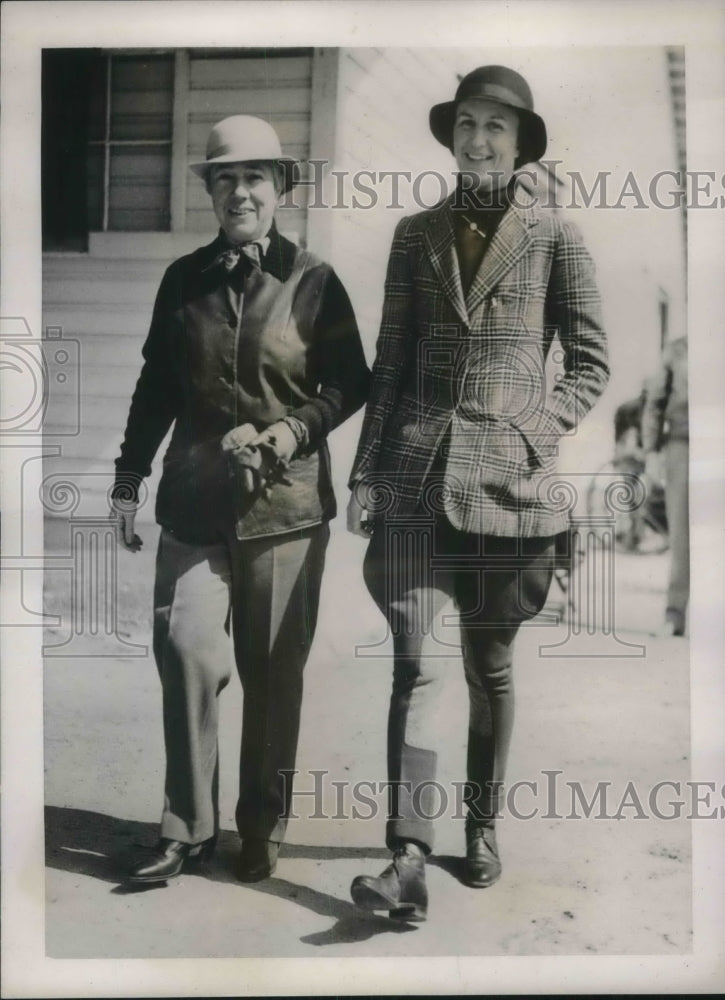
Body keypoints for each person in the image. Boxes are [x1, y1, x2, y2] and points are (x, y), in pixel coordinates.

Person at [346, 65, 609, 920]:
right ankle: (407, 854)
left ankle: (482, 825)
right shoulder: (412, 234)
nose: (478, 140)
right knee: (415, 661)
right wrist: (366, 475)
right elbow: (388, 364)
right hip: (418, 481)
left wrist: (531, 431)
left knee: (488, 669)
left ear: (520, 141)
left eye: (496, 126)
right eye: (466, 123)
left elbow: (590, 365)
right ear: (451, 135)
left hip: (510, 489)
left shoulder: (555, 236)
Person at [111, 115, 370, 885]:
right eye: (224, 178)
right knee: (185, 649)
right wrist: (128, 479)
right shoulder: (181, 279)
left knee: (271, 671)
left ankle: (260, 827)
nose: (239, 191)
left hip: (284, 511)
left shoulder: (315, 279)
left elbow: (351, 382)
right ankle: (186, 827)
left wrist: (294, 429)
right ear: (210, 191)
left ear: (280, 187)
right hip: (192, 506)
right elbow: (156, 386)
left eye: (255, 176)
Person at [641, 336, 689, 635]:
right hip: (683, 445)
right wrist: (651, 452)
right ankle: (675, 613)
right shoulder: (679, 348)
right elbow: (655, 401)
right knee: (682, 534)